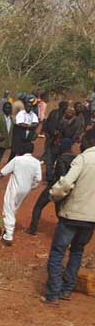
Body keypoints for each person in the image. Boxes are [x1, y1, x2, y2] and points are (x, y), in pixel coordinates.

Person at [45, 129, 95, 305]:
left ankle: (53, 293)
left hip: (72, 214)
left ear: (89, 141)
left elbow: (65, 183)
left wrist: (54, 195)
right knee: (77, 251)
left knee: (58, 252)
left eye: (82, 141)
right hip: (91, 219)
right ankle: (67, 289)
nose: (79, 144)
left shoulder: (83, 159)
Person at [26, 137, 75, 235]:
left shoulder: (61, 158)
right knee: (60, 212)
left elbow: (60, 175)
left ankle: (32, 229)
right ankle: (64, 233)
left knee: (38, 206)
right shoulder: (75, 158)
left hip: (54, 187)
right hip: (66, 189)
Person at [0, 141, 42, 244]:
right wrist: (32, 187)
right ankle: (8, 227)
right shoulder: (36, 162)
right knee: (14, 207)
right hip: (26, 190)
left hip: (15, 188)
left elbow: (3, 172)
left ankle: (8, 235)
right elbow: (38, 178)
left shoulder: (17, 160)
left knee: (8, 208)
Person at [42, 101, 68, 180]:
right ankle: (50, 177)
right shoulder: (55, 114)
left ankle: (52, 176)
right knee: (51, 159)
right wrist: (51, 132)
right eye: (64, 107)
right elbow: (48, 123)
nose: (65, 108)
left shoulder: (63, 116)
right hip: (53, 139)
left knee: (54, 159)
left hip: (57, 140)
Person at [9, 95, 39, 160]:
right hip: (19, 135)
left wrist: (28, 125)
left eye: (30, 107)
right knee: (14, 152)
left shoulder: (33, 115)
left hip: (28, 137)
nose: (29, 108)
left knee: (24, 153)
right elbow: (21, 124)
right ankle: (9, 165)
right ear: (25, 106)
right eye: (27, 106)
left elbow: (36, 123)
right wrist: (30, 125)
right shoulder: (21, 113)